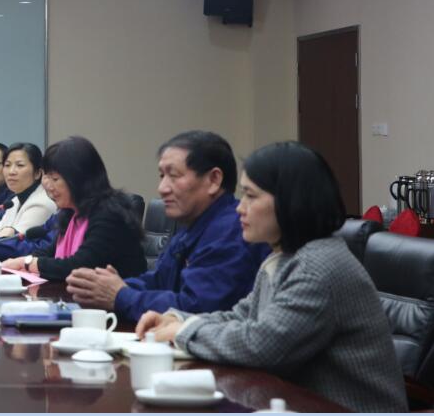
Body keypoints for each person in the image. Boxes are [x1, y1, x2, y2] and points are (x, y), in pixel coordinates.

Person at [136, 142, 406, 412]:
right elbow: (242, 316)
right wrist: (178, 319)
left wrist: (184, 332)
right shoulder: (284, 257)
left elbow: (262, 346)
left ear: (290, 202)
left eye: (251, 196)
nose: (240, 208)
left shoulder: (318, 266)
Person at [66, 130, 267, 322]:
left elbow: (194, 309)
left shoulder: (231, 230)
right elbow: (160, 281)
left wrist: (120, 295)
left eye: (174, 176)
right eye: (162, 176)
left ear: (214, 180)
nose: (162, 188)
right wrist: (107, 286)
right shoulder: (192, 225)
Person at [0, 136, 146, 282]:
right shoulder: (71, 212)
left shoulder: (108, 214)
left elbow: (78, 266)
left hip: (120, 295)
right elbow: (49, 252)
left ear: (80, 179)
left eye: (55, 179)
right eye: (46, 176)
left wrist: (29, 263)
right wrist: (22, 262)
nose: (48, 186)